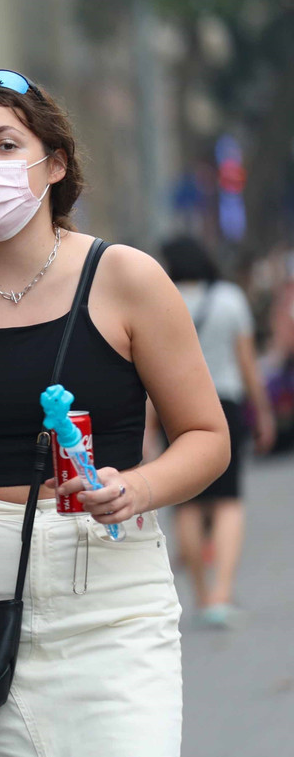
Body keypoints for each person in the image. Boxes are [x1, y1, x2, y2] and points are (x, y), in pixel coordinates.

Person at [0, 70, 231, 756]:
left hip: (112, 597)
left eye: (6, 144)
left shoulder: (127, 277)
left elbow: (207, 435)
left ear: (55, 162)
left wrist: (138, 487)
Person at [159, 235, 276, 627]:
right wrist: (261, 412)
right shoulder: (228, 299)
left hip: (170, 408)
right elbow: (247, 364)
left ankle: (202, 594)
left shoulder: (162, 296)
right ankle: (221, 594)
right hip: (223, 405)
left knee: (188, 504)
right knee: (227, 502)